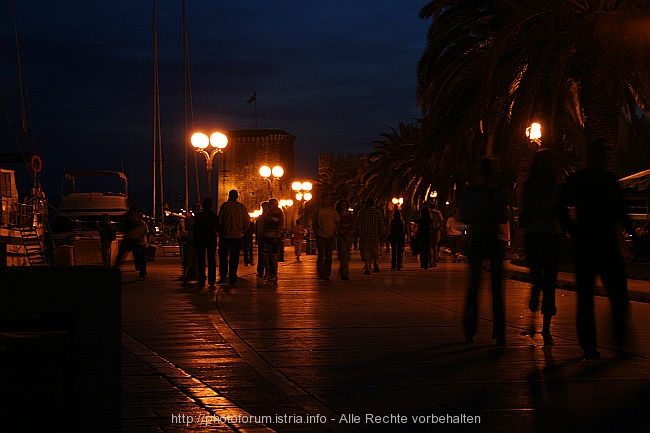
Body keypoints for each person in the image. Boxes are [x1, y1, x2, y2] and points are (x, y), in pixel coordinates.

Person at [564, 138, 633, 360]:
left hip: (591, 242)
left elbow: (621, 210)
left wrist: (572, 229)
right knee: (612, 294)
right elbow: (622, 211)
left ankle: (592, 344)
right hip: (601, 242)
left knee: (590, 298)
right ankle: (611, 340)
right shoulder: (601, 180)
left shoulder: (586, 180)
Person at [457, 157, 509, 345]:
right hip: (491, 240)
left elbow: (463, 216)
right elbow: (503, 217)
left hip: (478, 239)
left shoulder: (471, 193)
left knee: (474, 287)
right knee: (495, 289)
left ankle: (470, 329)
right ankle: (499, 331)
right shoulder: (496, 193)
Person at [520, 149, 567, 346]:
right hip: (537, 237)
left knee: (548, 283)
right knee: (540, 280)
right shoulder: (530, 187)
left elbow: (562, 213)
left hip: (549, 238)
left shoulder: (554, 188)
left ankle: (546, 328)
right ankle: (535, 309)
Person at [217, 189, 250, 286]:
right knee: (234, 257)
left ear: (229, 196)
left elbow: (220, 220)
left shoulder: (225, 206)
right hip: (237, 235)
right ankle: (233, 276)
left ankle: (223, 276)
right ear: (237, 197)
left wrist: (220, 229)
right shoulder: (241, 207)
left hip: (225, 235)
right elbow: (247, 221)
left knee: (223, 256)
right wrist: (242, 230)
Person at [115, 206, 148, 280]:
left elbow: (144, 233)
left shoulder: (139, 223)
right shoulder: (140, 223)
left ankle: (142, 272)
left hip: (135, 240)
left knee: (137, 257)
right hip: (135, 240)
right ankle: (142, 272)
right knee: (138, 257)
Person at [194, 197, 219, 288]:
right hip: (211, 239)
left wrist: (195, 241)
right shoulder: (213, 216)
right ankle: (212, 280)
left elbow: (195, 230)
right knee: (211, 259)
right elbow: (218, 228)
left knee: (201, 260)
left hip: (201, 239)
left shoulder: (199, 217)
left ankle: (201, 279)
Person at [313, 200, 340, 280]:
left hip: (330, 235)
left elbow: (338, 221)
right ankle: (320, 273)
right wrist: (316, 232)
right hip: (320, 235)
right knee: (321, 255)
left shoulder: (333, 211)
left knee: (328, 255)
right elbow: (314, 222)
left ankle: (327, 273)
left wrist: (335, 231)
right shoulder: (318, 211)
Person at [356, 198, 383, 275]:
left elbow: (358, 223)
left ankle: (367, 266)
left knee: (366, 251)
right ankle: (375, 262)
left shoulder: (362, 212)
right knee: (374, 250)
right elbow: (380, 223)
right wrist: (380, 232)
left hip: (364, 235)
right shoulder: (376, 212)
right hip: (374, 235)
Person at [261, 198, 283, 283]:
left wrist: (278, 235)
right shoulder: (267, 213)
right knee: (265, 255)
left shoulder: (278, 213)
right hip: (266, 236)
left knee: (273, 256)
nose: (271, 206)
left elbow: (279, 225)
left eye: (272, 204)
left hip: (274, 236)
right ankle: (268, 272)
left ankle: (274, 274)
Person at [336, 199, 356, 280]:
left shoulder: (350, 215)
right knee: (342, 254)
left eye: (345, 204)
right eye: (342, 204)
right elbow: (336, 225)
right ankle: (343, 271)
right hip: (340, 236)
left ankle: (344, 272)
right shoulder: (337, 215)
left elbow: (353, 225)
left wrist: (351, 232)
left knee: (346, 254)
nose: (343, 206)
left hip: (348, 236)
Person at [256, 201, 270, 279]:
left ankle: (267, 272)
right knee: (261, 255)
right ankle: (260, 271)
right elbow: (257, 229)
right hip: (261, 239)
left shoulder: (268, 217)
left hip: (267, 238)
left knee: (266, 256)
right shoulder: (260, 218)